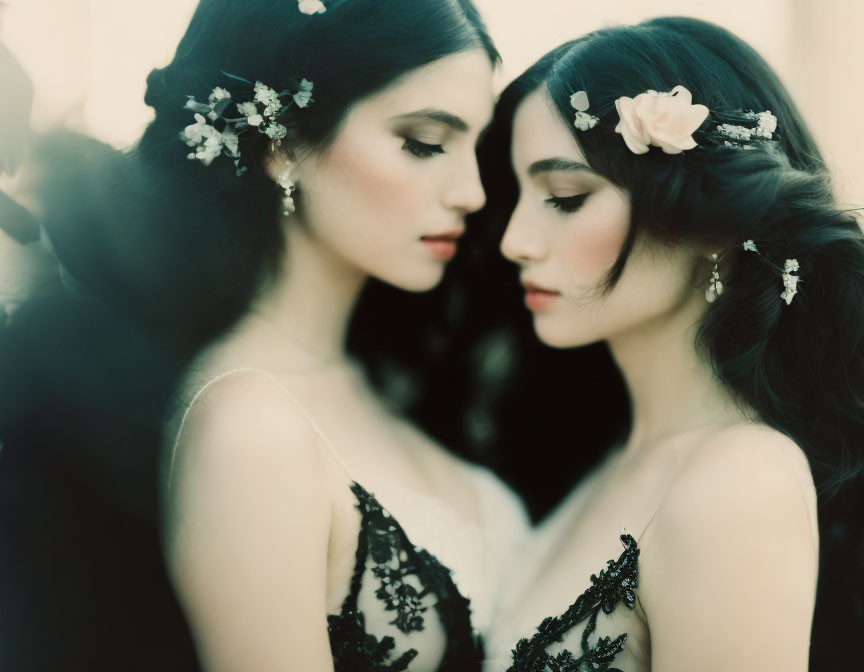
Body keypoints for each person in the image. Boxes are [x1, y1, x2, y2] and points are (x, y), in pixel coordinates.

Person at [0, 1, 529, 670]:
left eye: (475, 149)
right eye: (425, 142)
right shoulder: (248, 425)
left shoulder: (396, 379)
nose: (473, 193)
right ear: (281, 144)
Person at [479, 17, 864, 671]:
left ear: (708, 224)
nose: (514, 240)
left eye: (565, 196)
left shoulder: (740, 479)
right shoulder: (601, 462)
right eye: (518, 195)